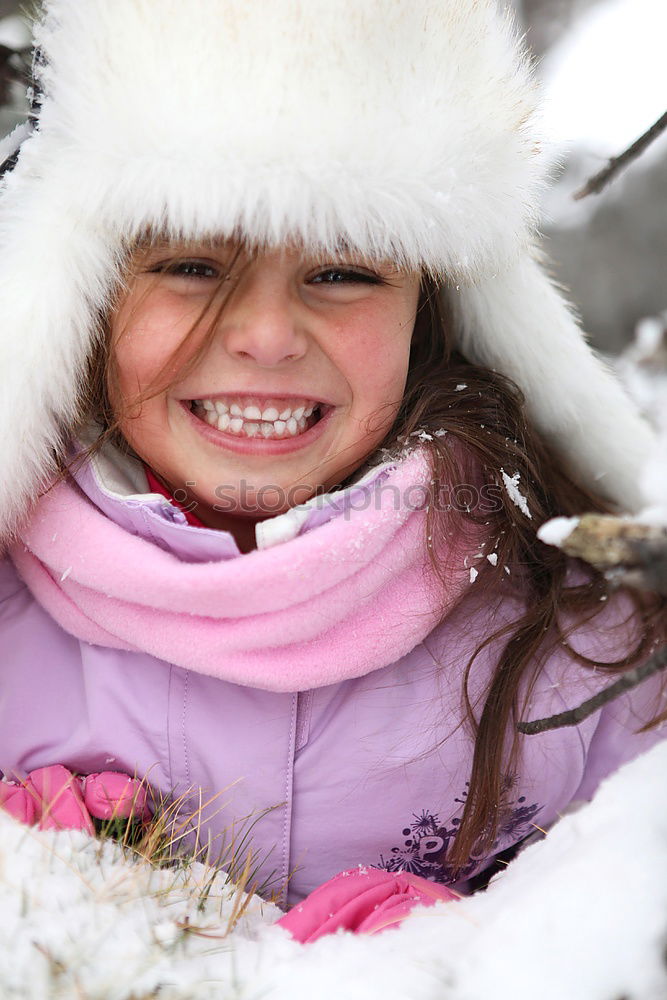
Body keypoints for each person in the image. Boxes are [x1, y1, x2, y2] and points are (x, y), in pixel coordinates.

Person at [0, 0, 665, 938]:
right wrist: (32, 895)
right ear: (85, 294)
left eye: (344, 272)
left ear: (431, 309)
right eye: (191, 263)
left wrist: (486, 940)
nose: (267, 337)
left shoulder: (585, 631)